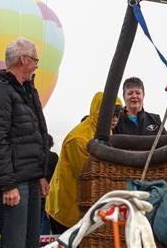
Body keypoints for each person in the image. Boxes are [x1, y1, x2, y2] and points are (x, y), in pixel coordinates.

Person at [0, 38, 50, 248]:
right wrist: (7, 184)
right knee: (14, 243)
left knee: (30, 243)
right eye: (35, 60)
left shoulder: (27, 92)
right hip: (15, 184)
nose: (37, 65)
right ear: (23, 59)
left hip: (30, 181)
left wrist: (40, 174)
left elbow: (33, 138)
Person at [46, 92, 122, 233]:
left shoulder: (105, 133)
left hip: (84, 207)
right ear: (98, 112)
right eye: (111, 114)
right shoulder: (78, 139)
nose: (115, 119)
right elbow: (87, 174)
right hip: (65, 208)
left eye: (118, 114)